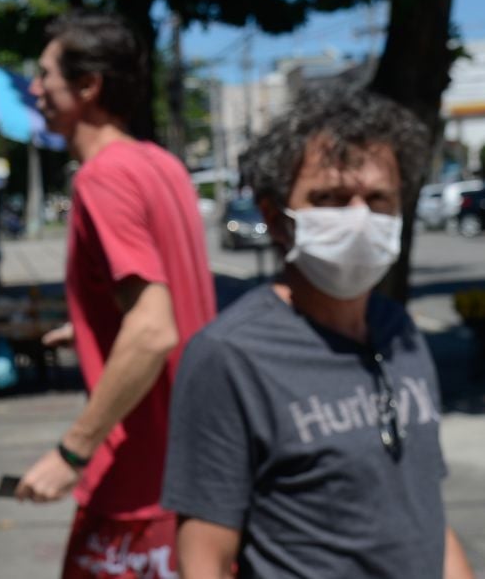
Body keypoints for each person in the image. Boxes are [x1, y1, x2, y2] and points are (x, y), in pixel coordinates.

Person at [162, 86, 474, 578]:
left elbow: (425, 508)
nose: (358, 218)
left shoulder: (399, 331)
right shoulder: (229, 357)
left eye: (378, 199)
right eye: (329, 199)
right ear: (276, 217)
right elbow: (204, 560)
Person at [15, 12, 216, 578]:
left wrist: (72, 452)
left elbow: (153, 329)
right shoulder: (164, 165)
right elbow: (166, 293)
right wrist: (88, 326)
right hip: (195, 465)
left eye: (45, 75)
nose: (35, 89)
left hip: (137, 479)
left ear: (88, 87)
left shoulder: (103, 178)